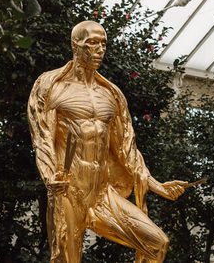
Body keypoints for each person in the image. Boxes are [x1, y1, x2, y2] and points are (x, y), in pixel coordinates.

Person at [27, 21, 189, 263]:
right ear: (75, 45)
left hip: (102, 193)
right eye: (92, 43)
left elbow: (127, 149)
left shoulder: (111, 94)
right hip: (68, 192)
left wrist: (158, 186)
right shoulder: (52, 86)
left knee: (156, 243)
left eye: (103, 43)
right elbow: (42, 137)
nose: (99, 49)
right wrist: (50, 176)